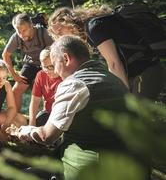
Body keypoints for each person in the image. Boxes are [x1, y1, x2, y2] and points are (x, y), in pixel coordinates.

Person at [9, 36, 130, 180]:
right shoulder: (115, 80)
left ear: (65, 58)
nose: (57, 72)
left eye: (54, 64)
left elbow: (46, 136)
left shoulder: (74, 85)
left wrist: (27, 130)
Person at [47, 6, 166, 101]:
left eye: (59, 30)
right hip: (142, 73)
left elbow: (114, 63)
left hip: (145, 73)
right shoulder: (95, 26)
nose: (60, 36)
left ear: (68, 21)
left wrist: (122, 95)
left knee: (133, 120)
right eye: (56, 35)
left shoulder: (94, 27)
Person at [2, 13, 53, 112]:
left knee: (47, 90)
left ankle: (46, 116)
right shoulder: (16, 37)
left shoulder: (44, 33)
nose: (21, 34)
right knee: (16, 91)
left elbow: (56, 51)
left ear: (31, 26)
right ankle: (15, 118)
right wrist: (14, 74)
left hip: (48, 63)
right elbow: (5, 55)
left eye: (24, 30)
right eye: (18, 31)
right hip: (31, 64)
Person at [29, 47, 62, 126]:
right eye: (44, 67)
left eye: (51, 67)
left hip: (63, 115)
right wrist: (31, 123)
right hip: (48, 113)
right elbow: (34, 102)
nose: (47, 70)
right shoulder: (41, 75)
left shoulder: (66, 76)